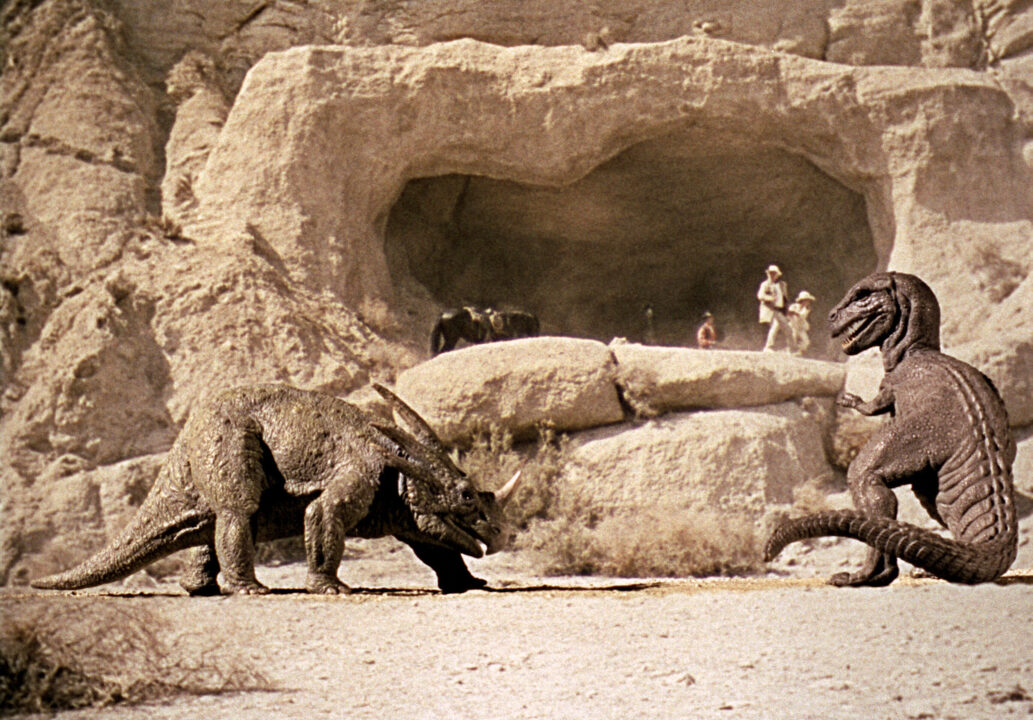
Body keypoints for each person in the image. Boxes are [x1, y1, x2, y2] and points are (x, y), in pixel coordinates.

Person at [757, 264, 790, 352]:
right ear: (768, 274)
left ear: (777, 275)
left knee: (784, 328)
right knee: (775, 326)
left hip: (779, 310)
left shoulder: (782, 285)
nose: (772, 275)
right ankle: (768, 347)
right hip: (770, 310)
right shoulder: (765, 284)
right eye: (771, 273)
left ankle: (787, 348)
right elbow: (760, 296)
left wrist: (786, 309)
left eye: (774, 273)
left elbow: (785, 298)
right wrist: (771, 298)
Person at [787, 290, 816, 356]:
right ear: (802, 300)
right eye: (806, 300)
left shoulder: (807, 309)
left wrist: (796, 313)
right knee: (793, 338)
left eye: (808, 301)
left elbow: (801, 316)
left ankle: (798, 351)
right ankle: (790, 351)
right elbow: (788, 314)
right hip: (793, 325)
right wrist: (792, 313)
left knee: (806, 342)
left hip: (801, 327)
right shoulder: (793, 306)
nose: (808, 302)